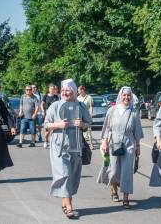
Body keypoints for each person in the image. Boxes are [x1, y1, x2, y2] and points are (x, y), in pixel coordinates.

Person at [44, 79, 92, 219]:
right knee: (64, 174)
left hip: (76, 145)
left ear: (74, 91)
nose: (65, 92)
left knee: (72, 176)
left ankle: (65, 202)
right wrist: (58, 125)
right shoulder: (55, 105)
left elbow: (89, 124)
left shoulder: (81, 106)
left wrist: (82, 123)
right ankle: (69, 206)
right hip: (59, 146)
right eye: (63, 90)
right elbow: (46, 124)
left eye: (68, 90)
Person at [99, 86, 144, 209]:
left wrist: (138, 146)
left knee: (126, 171)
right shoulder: (112, 110)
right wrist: (104, 142)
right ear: (120, 96)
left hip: (129, 144)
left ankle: (125, 197)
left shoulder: (134, 112)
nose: (126, 97)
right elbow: (107, 128)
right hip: (114, 142)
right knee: (113, 170)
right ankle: (114, 189)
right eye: (124, 95)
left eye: (128, 95)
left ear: (131, 96)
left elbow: (137, 131)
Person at [41, 83, 60, 148]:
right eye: (51, 89)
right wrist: (43, 111)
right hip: (47, 115)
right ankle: (46, 141)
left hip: (55, 115)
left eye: (53, 89)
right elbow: (41, 105)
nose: (52, 90)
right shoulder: (45, 96)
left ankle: (53, 142)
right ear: (49, 89)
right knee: (48, 130)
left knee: (54, 129)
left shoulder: (56, 97)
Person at [77, 85, 96, 150]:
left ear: (82, 90)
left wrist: (91, 115)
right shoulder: (78, 98)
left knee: (89, 130)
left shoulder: (89, 97)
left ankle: (91, 144)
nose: (78, 91)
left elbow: (91, 107)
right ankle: (82, 144)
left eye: (79, 90)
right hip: (80, 116)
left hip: (87, 116)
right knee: (81, 131)